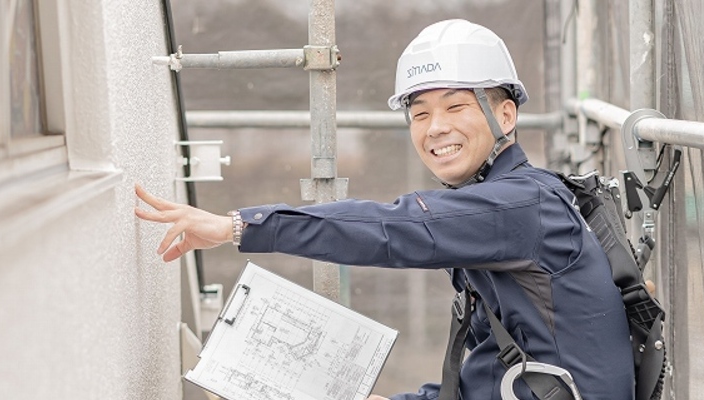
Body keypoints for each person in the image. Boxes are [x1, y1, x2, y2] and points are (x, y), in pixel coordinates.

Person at [135, 19, 634, 400]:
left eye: (455, 106)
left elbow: (393, 226)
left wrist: (236, 225)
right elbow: (485, 378)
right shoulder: (501, 214)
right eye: (420, 114)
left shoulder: (521, 205)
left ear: (505, 114)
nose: (434, 127)